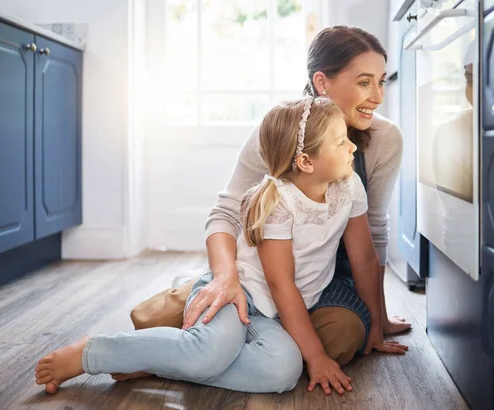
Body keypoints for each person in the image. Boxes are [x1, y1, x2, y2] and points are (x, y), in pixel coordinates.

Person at [35, 97, 406, 396]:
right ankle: (91, 352)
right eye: (341, 141)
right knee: (209, 353)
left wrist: (375, 323)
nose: (352, 145)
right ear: (306, 161)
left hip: (275, 314)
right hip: (239, 294)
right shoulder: (280, 203)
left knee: (281, 372)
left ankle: (164, 359)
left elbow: (364, 256)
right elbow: (281, 285)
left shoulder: (348, 187)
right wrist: (317, 356)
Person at [130, 25, 410, 368]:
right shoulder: (279, 131)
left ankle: (216, 346)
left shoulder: (385, 138)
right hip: (260, 272)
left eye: (382, 81)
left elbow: (374, 231)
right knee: (152, 323)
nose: (378, 97)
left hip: (327, 279)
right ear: (323, 82)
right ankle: (204, 303)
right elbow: (227, 211)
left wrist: (377, 318)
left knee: (340, 341)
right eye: (365, 82)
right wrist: (225, 277)